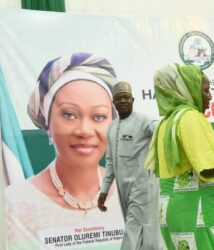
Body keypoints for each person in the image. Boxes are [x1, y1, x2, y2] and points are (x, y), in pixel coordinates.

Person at [5, 52, 125, 250]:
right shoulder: (12, 207)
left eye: (99, 117)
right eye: (69, 115)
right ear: (47, 121)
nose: (84, 130)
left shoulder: (132, 197)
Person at [146, 63, 214, 250]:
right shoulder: (190, 117)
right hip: (197, 211)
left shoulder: (166, 122)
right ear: (188, 90)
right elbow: (208, 167)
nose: (210, 96)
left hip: (172, 212)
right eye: (206, 91)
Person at [98, 81, 160, 250]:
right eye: (119, 98)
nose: (123, 101)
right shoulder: (111, 128)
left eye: (126, 97)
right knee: (145, 230)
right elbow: (110, 162)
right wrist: (104, 190)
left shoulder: (144, 121)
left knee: (133, 229)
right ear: (113, 103)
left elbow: (160, 130)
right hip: (123, 189)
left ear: (133, 100)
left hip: (142, 186)